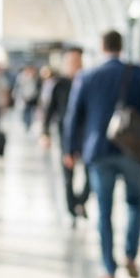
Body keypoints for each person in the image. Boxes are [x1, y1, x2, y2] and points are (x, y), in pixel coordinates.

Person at [63, 30, 140, 278]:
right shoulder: (138, 74)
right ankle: (130, 255)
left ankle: (108, 266)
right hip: (133, 149)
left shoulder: (88, 76)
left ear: (102, 46)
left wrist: (69, 148)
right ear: (121, 46)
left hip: (99, 151)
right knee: (134, 203)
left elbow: (74, 116)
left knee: (104, 209)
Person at [40, 47, 90, 222]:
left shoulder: (88, 81)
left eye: (77, 61)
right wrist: (44, 133)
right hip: (65, 134)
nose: (74, 65)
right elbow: (49, 110)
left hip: (86, 134)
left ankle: (80, 201)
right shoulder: (59, 85)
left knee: (90, 172)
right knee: (68, 174)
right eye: (70, 61)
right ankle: (71, 208)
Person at [13, 64, 41, 132]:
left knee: (31, 112)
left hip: (33, 98)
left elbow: (38, 88)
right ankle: (26, 124)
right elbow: (19, 88)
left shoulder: (36, 78)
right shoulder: (22, 78)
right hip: (24, 98)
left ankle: (29, 123)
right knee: (25, 112)